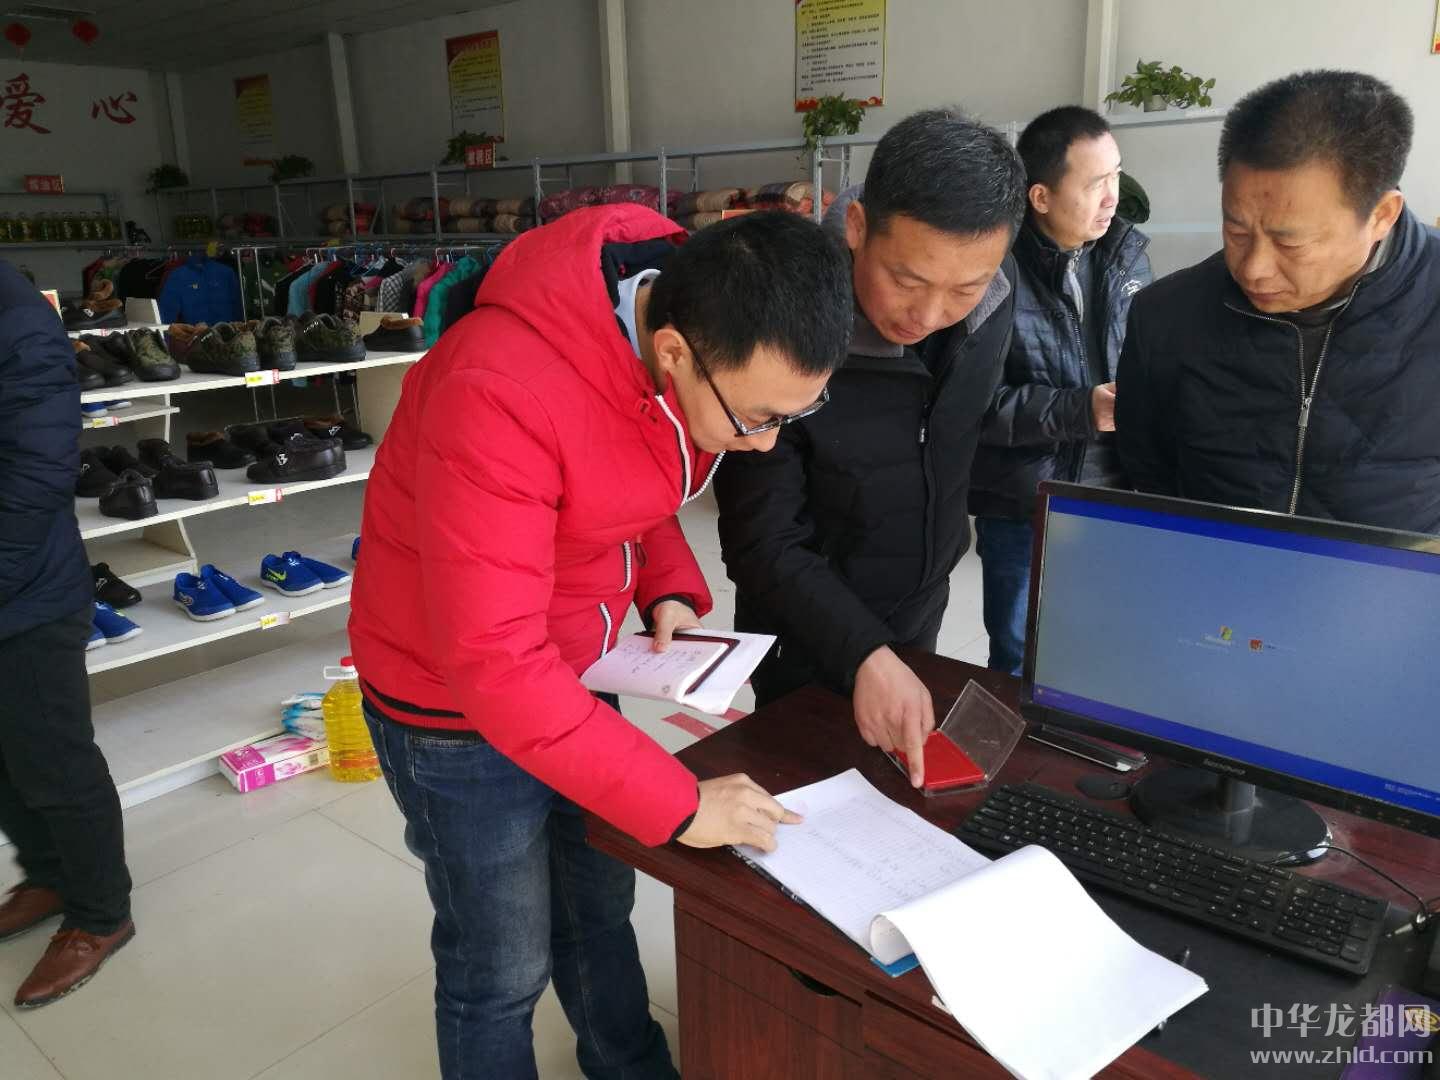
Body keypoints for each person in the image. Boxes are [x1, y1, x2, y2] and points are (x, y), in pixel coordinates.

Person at [348, 206, 853, 1080]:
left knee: (596, 909)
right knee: (499, 966)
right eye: (756, 418)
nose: (767, 442)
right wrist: (682, 804)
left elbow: (629, 472)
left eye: (793, 414)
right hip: (450, 709)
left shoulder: (672, 317)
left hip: (571, 674)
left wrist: (666, 584)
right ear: (675, 354)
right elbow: (496, 665)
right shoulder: (496, 388)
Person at [714, 107, 1027, 783]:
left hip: (921, 607)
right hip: (806, 631)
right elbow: (759, 538)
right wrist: (862, 651)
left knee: (902, 799)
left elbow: (963, 427)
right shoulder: (786, 330)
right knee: (804, 801)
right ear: (857, 227)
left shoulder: (993, 300)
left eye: (964, 287)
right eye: (906, 281)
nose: (929, 314)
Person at [1118, 70, 1440, 533]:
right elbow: (1148, 471)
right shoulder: (1166, 316)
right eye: (1236, 230)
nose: (1253, 269)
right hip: (1214, 568)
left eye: (1291, 243)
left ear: (1381, 216)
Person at [969, 106, 1152, 675]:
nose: (1112, 196)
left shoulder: (1127, 257)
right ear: (1041, 197)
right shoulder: (994, 274)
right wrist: (1082, 409)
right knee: (1020, 657)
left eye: (1116, 175)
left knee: (1106, 654)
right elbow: (975, 407)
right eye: (1095, 183)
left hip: (1116, 498)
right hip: (1027, 506)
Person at [0, 257, 134, 1008]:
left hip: (25, 592)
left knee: (52, 760)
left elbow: (34, 476)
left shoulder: (16, 319)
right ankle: (49, 877)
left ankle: (100, 913)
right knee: (3, 760)